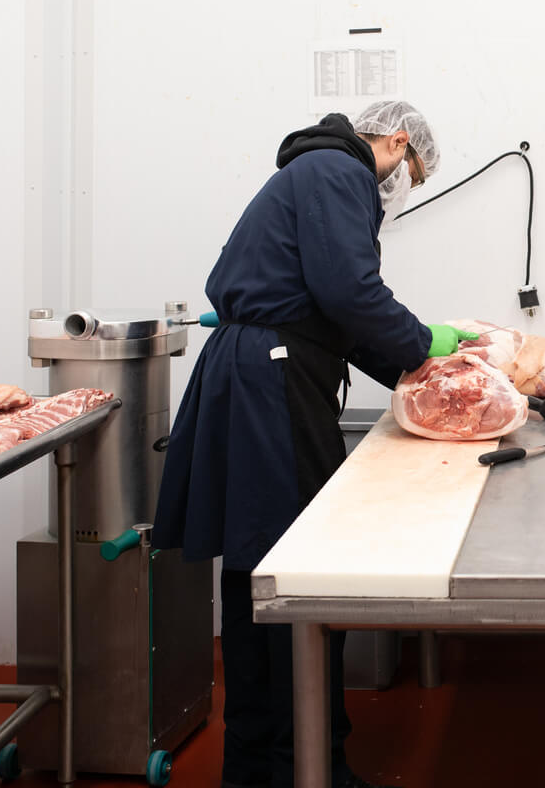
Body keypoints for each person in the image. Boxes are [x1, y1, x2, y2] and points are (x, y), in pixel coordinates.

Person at [152, 101, 477, 788]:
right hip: (270, 378)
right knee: (296, 573)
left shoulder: (315, 171)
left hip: (261, 369)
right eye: (410, 172)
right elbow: (350, 292)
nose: (403, 187)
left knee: (257, 569)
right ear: (396, 142)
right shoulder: (339, 170)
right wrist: (425, 342)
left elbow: (340, 315)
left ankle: (261, 762)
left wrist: (419, 370)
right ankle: (307, 764)